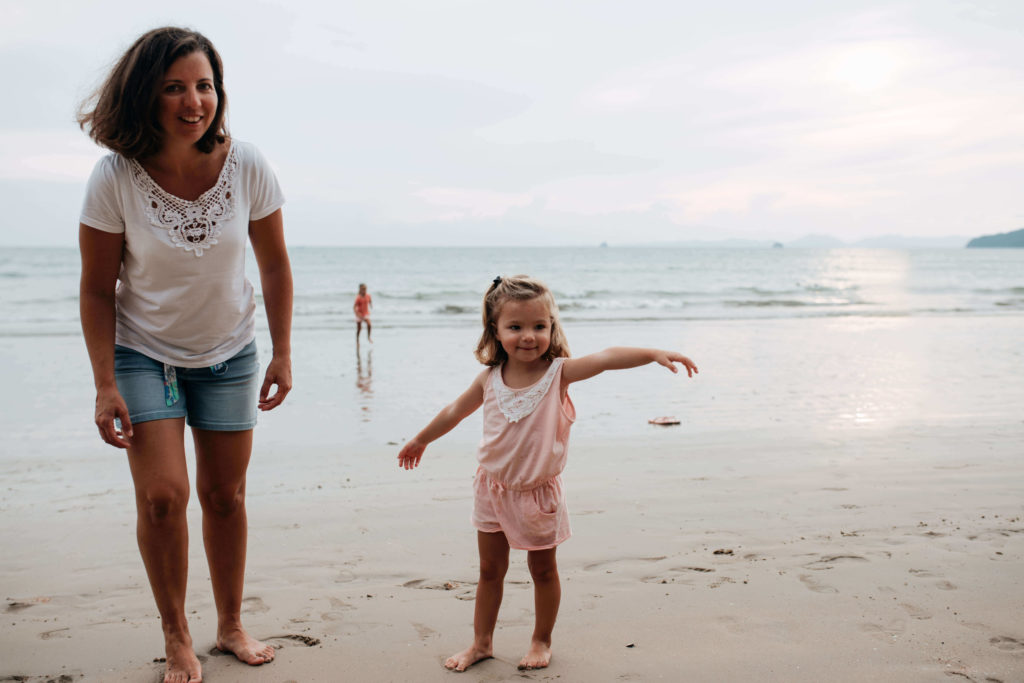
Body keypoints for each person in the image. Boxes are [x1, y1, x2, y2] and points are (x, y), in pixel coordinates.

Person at [77, 27, 292, 683]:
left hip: (230, 351)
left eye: (203, 85)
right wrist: (104, 383)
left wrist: (283, 350)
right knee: (164, 497)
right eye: (174, 87)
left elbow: (275, 264)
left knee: (224, 495)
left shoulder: (247, 163)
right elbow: (95, 287)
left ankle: (229, 624)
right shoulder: (114, 177)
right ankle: (177, 633)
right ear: (147, 95)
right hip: (145, 354)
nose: (192, 100)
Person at [397, 275, 698, 672]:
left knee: (542, 570)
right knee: (490, 571)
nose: (529, 336)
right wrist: (421, 440)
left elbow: (607, 358)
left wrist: (655, 352)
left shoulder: (560, 374)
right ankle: (481, 643)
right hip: (492, 488)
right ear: (495, 331)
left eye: (540, 326)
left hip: (537, 494)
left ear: (552, 328)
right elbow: (455, 411)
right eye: (516, 327)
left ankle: (541, 641)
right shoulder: (488, 379)